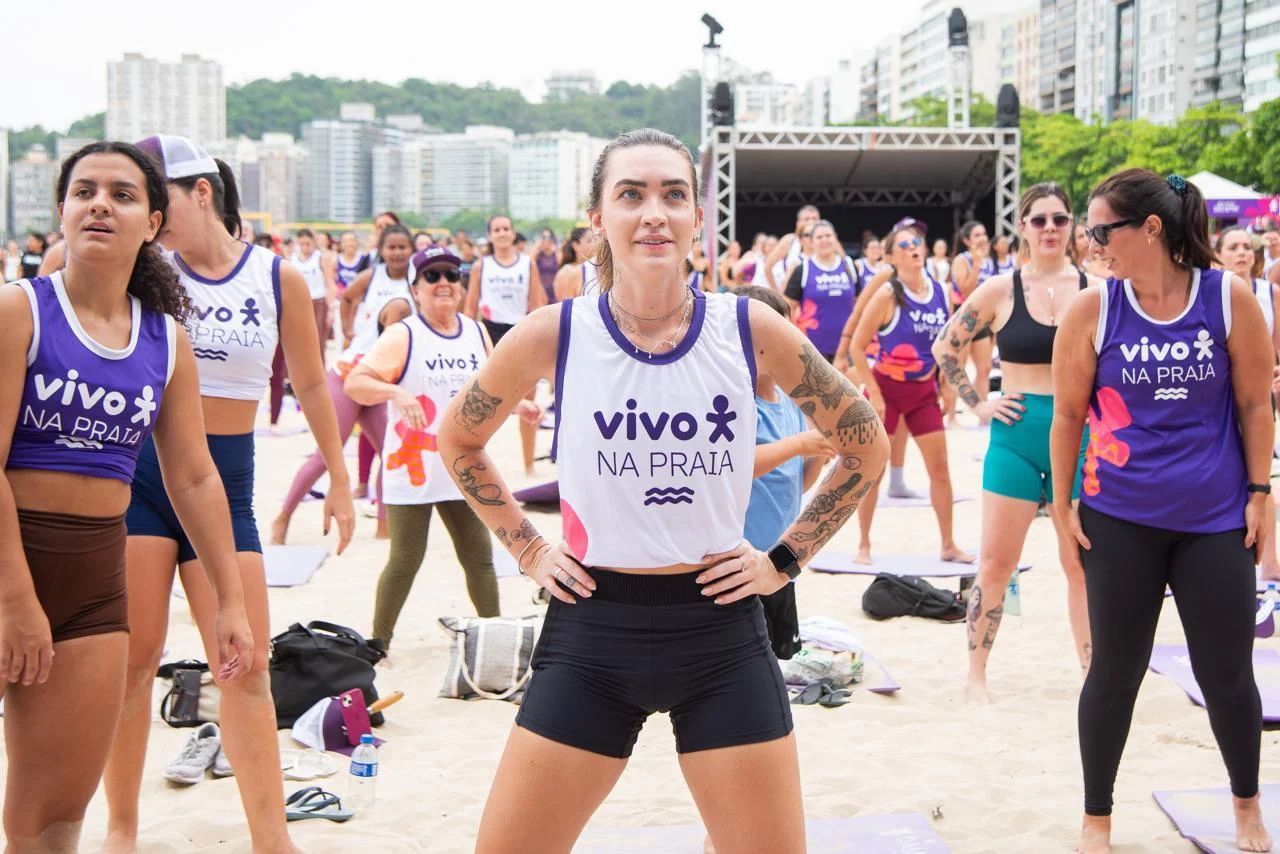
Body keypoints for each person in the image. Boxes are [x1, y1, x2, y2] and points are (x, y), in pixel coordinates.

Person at [438, 128, 887, 854]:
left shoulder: (749, 327)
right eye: (631, 194)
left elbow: (864, 443)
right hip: (593, 631)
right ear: (598, 218)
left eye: (673, 195)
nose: (654, 213)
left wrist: (784, 559)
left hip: (720, 632)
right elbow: (458, 439)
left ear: (696, 218)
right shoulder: (556, 334)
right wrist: (526, 548)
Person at [102, 135, 354, 854]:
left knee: (244, 664)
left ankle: (271, 839)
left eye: (158, 199)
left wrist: (338, 477)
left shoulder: (277, 279)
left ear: (200, 191)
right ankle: (122, 829)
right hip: (146, 477)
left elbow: (309, 383)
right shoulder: (144, 271)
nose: (147, 214)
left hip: (229, 481)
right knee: (133, 660)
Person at [0, 141, 253, 853]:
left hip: (92, 586)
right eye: (84, 191)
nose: (100, 204)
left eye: (122, 193)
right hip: (8, 563)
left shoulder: (166, 342)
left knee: (49, 819)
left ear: (154, 222)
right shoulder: (19, 312)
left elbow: (195, 477)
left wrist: (230, 600)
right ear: (61, 212)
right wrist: (16, 601)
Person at [1053, 170, 1272, 854]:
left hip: (1214, 518)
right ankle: (1097, 821)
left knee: (1227, 673)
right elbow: (1066, 415)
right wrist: (1061, 507)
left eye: (1100, 231)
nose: (1091, 244)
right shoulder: (1094, 310)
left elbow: (1256, 405)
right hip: (1120, 517)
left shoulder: (1228, 299)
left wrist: (1262, 492)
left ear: (1151, 229)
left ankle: (1245, 807)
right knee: (1114, 671)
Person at [932, 183, 1099, 703]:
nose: (1049, 228)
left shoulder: (1099, 287)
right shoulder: (1000, 291)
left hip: (1082, 434)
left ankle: (1093, 675)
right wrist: (978, 404)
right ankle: (976, 675)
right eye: (1039, 220)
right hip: (1018, 432)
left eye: (1059, 219)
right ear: (1022, 227)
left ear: (1071, 225)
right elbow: (946, 346)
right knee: (996, 563)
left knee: (1082, 565)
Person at [346, 247, 541, 645]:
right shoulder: (404, 335)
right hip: (412, 467)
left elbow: (489, 386)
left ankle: (494, 637)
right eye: (431, 276)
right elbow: (356, 383)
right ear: (415, 289)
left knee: (479, 557)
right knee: (404, 561)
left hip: (462, 463)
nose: (443, 284)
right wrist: (396, 393)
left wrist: (519, 405)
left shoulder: (474, 331)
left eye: (451, 275)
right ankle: (378, 644)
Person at [271, 225, 415, 545]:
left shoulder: (416, 283)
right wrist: (349, 329)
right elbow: (348, 298)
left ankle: (384, 526)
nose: (397, 253)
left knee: (390, 454)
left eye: (403, 247)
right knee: (326, 454)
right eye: (391, 247)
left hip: (379, 380)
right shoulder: (373, 278)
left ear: (411, 249)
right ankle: (283, 518)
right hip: (350, 374)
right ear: (382, 249)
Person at [848, 225, 973, 565]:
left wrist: (948, 387)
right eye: (904, 245)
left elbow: (949, 345)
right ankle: (864, 544)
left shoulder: (941, 291)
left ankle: (948, 544)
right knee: (874, 471)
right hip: (886, 390)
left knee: (941, 470)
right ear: (891, 257)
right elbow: (858, 348)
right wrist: (872, 392)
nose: (914, 248)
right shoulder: (888, 294)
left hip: (922, 392)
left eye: (917, 242)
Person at [1218, 226, 1280, 580]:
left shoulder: (1269, 293)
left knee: (1261, 478)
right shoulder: (1210, 293)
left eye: (1246, 246)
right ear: (1219, 254)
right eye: (1234, 247)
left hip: (1258, 398)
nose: (1242, 253)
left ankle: (1269, 561)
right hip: (1222, 398)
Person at [464, 214, 544, 476]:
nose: (501, 233)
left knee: (528, 400)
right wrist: (467, 337)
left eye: (506, 228)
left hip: (520, 330)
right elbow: (471, 304)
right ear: (490, 235)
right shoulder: (482, 266)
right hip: (491, 330)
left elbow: (537, 303)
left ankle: (528, 463)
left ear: (512, 233)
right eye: (496, 229)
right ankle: (476, 461)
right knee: (484, 400)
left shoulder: (526, 263)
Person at [784, 220, 860, 361]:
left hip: (846, 349)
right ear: (811, 242)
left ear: (835, 238)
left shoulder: (849, 266)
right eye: (819, 237)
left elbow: (860, 305)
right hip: (812, 350)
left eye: (828, 236)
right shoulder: (803, 269)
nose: (824, 240)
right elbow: (787, 308)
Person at [291, 228, 332, 363]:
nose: (305, 247)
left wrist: (331, 308)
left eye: (307, 244)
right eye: (301, 244)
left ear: (313, 243)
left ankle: (320, 369)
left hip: (318, 301)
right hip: (298, 302)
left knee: (318, 339)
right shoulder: (292, 259)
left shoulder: (320, 257)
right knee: (297, 338)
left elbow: (330, 282)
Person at [764, 204, 821, 289]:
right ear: (798, 223)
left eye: (814, 219)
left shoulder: (825, 243)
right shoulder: (790, 241)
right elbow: (768, 266)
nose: (811, 222)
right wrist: (776, 292)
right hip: (791, 297)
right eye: (807, 219)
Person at [553, 227, 598, 302]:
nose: (594, 244)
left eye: (595, 239)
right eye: (589, 241)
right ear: (575, 245)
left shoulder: (594, 268)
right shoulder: (566, 271)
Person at [533, 229, 560, 305]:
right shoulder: (538, 255)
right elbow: (529, 262)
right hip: (540, 291)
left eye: (549, 237)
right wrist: (538, 245)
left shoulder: (557, 254)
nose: (546, 240)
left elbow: (562, 269)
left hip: (554, 291)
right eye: (544, 237)